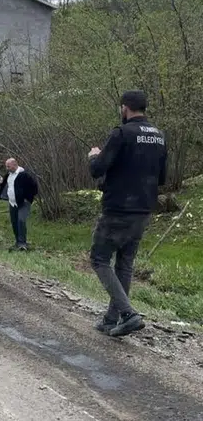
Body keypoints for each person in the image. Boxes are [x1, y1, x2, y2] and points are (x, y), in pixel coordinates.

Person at [88, 90, 167, 337]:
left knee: (99, 259)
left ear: (125, 108)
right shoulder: (159, 136)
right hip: (144, 208)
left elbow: (97, 169)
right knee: (125, 263)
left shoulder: (121, 133)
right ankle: (111, 319)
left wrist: (93, 156)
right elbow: (162, 178)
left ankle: (128, 314)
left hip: (118, 209)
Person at [0, 158, 38, 251]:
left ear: (15, 165)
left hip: (23, 202)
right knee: (14, 222)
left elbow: (34, 187)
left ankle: (23, 243)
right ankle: (18, 242)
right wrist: (1, 182)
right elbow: (7, 185)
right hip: (12, 203)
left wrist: (28, 198)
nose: (7, 168)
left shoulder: (24, 175)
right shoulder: (9, 175)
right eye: (6, 166)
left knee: (21, 221)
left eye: (8, 166)